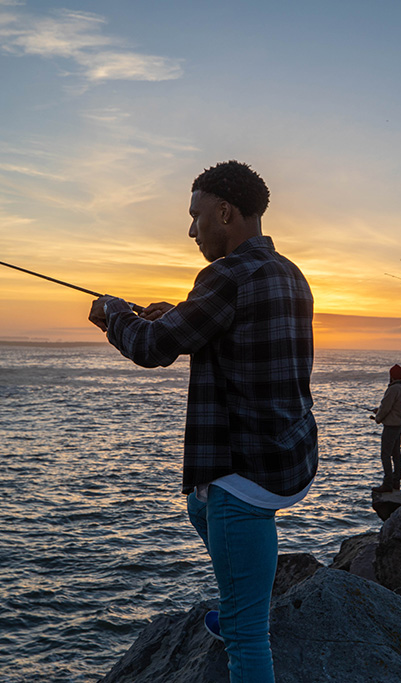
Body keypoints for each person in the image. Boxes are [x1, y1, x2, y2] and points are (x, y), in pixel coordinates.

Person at [88, 160, 317, 683]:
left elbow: (152, 348)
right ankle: (241, 592)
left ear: (225, 212)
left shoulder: (226, 275)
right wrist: (176, 311)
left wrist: (114, 313)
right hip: (289, 452)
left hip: (246, 472)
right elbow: (227, 324)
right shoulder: (288, 271)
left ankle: (240, 617)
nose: (191, 230)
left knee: (247, 643)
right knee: (197, 503)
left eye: (196, 217)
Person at [371, 364, 401, 493]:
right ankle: (396, 483)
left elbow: (386, 407)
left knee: (385, 455)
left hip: (391, 427)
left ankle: (387, 484)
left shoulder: (392, 389)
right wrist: (380, 411)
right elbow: (395, 408)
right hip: (399, 425)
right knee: (396, 455)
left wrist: (378, 418)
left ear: (391, 375)